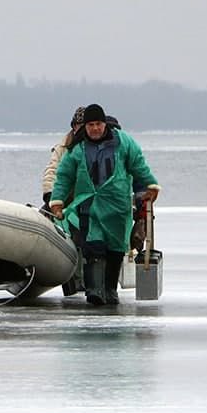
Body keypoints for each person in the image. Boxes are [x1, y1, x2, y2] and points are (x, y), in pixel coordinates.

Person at [49, 103, 160, 305]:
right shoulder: (77, 148)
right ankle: (94, 290)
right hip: (89, 205)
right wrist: (56, 200)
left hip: (117, 206)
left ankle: (110, 290)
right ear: (85, 127)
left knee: (115, 249)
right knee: (93, 247)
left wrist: (149, 186)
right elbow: (64, 176)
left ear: (104, 124)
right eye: (90, 125)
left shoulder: (123, 142)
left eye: (98, 124)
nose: (95, 129)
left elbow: (138, 165)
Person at [41, 106, 86, 209]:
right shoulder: (63, 147)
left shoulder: (98, 146)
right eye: (81, 125)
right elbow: (52, 171)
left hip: (89, 198)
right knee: (44, 213)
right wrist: (50, 195)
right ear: (74, 126)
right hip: (65, 196)